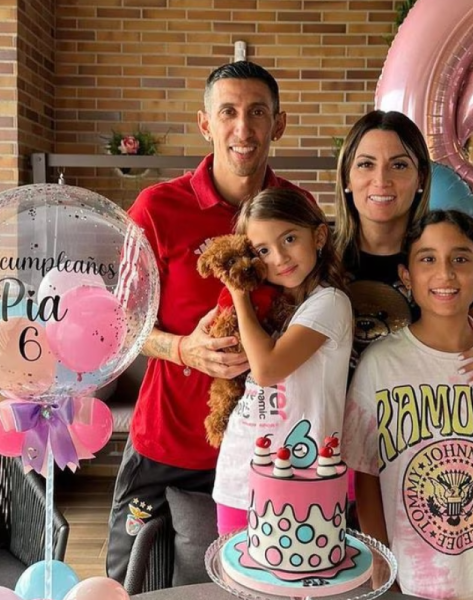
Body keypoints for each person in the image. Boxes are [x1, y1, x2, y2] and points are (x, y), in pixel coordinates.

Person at [105, 61, 312, 584]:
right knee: (133, 585)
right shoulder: (156, 209)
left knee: (255, 587)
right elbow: (116, 324)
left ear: (278, 124)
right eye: (228, 112)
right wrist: (182, 349)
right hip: (167, 443)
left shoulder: (298, 209)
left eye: (257, 113)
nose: (243, 128)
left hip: (267, 447)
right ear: (205, 123)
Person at [342, 210, 473, 600]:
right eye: (428, 259)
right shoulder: (380, 364)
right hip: (412, 581)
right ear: (407, 276)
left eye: (460, 258)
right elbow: (366, 476)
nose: (445, 273)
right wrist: (382, 564)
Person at [333, 110, 473, 386]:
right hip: (328, 413)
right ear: (347, 177)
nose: (381, 180)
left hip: (417, 409)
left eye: (399, 165)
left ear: (421, 178)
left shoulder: (442, 258)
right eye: (366, 164)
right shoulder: (319, 255)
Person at [213, 188, 353, 535]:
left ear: (318, 237)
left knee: (299, 568)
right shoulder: (272, 305)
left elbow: (266, 369)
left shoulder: (330, 303)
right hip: (239, 470)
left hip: (304, 476)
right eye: (262, 250)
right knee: (235, 569)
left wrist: (238, 293)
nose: (279, 258)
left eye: (289, 239)